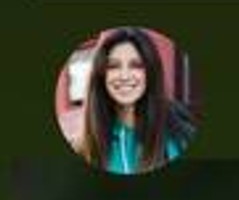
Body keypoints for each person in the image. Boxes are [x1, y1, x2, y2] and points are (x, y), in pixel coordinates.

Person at [76, 28, 196, 176]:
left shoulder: (181, 136)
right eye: (113, 66)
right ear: (101, 75)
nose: (124, 76)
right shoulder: (85, 147)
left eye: (136, 65)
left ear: (151, 72)